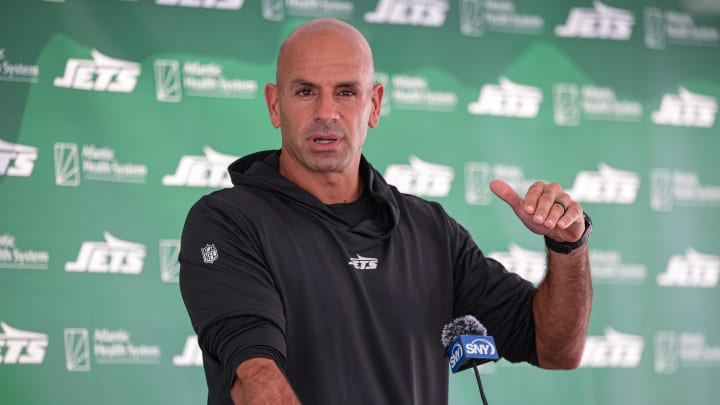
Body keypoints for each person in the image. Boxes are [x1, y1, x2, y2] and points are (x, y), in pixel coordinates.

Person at [179, 18, 592, 405]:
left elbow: (556, 348)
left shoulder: (429, 229)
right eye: (305, 92)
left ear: (374, 104)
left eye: (346, 92)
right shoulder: (226, 221)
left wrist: (567, 248)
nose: (326, 113)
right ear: (275, 104)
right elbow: (257, 381)